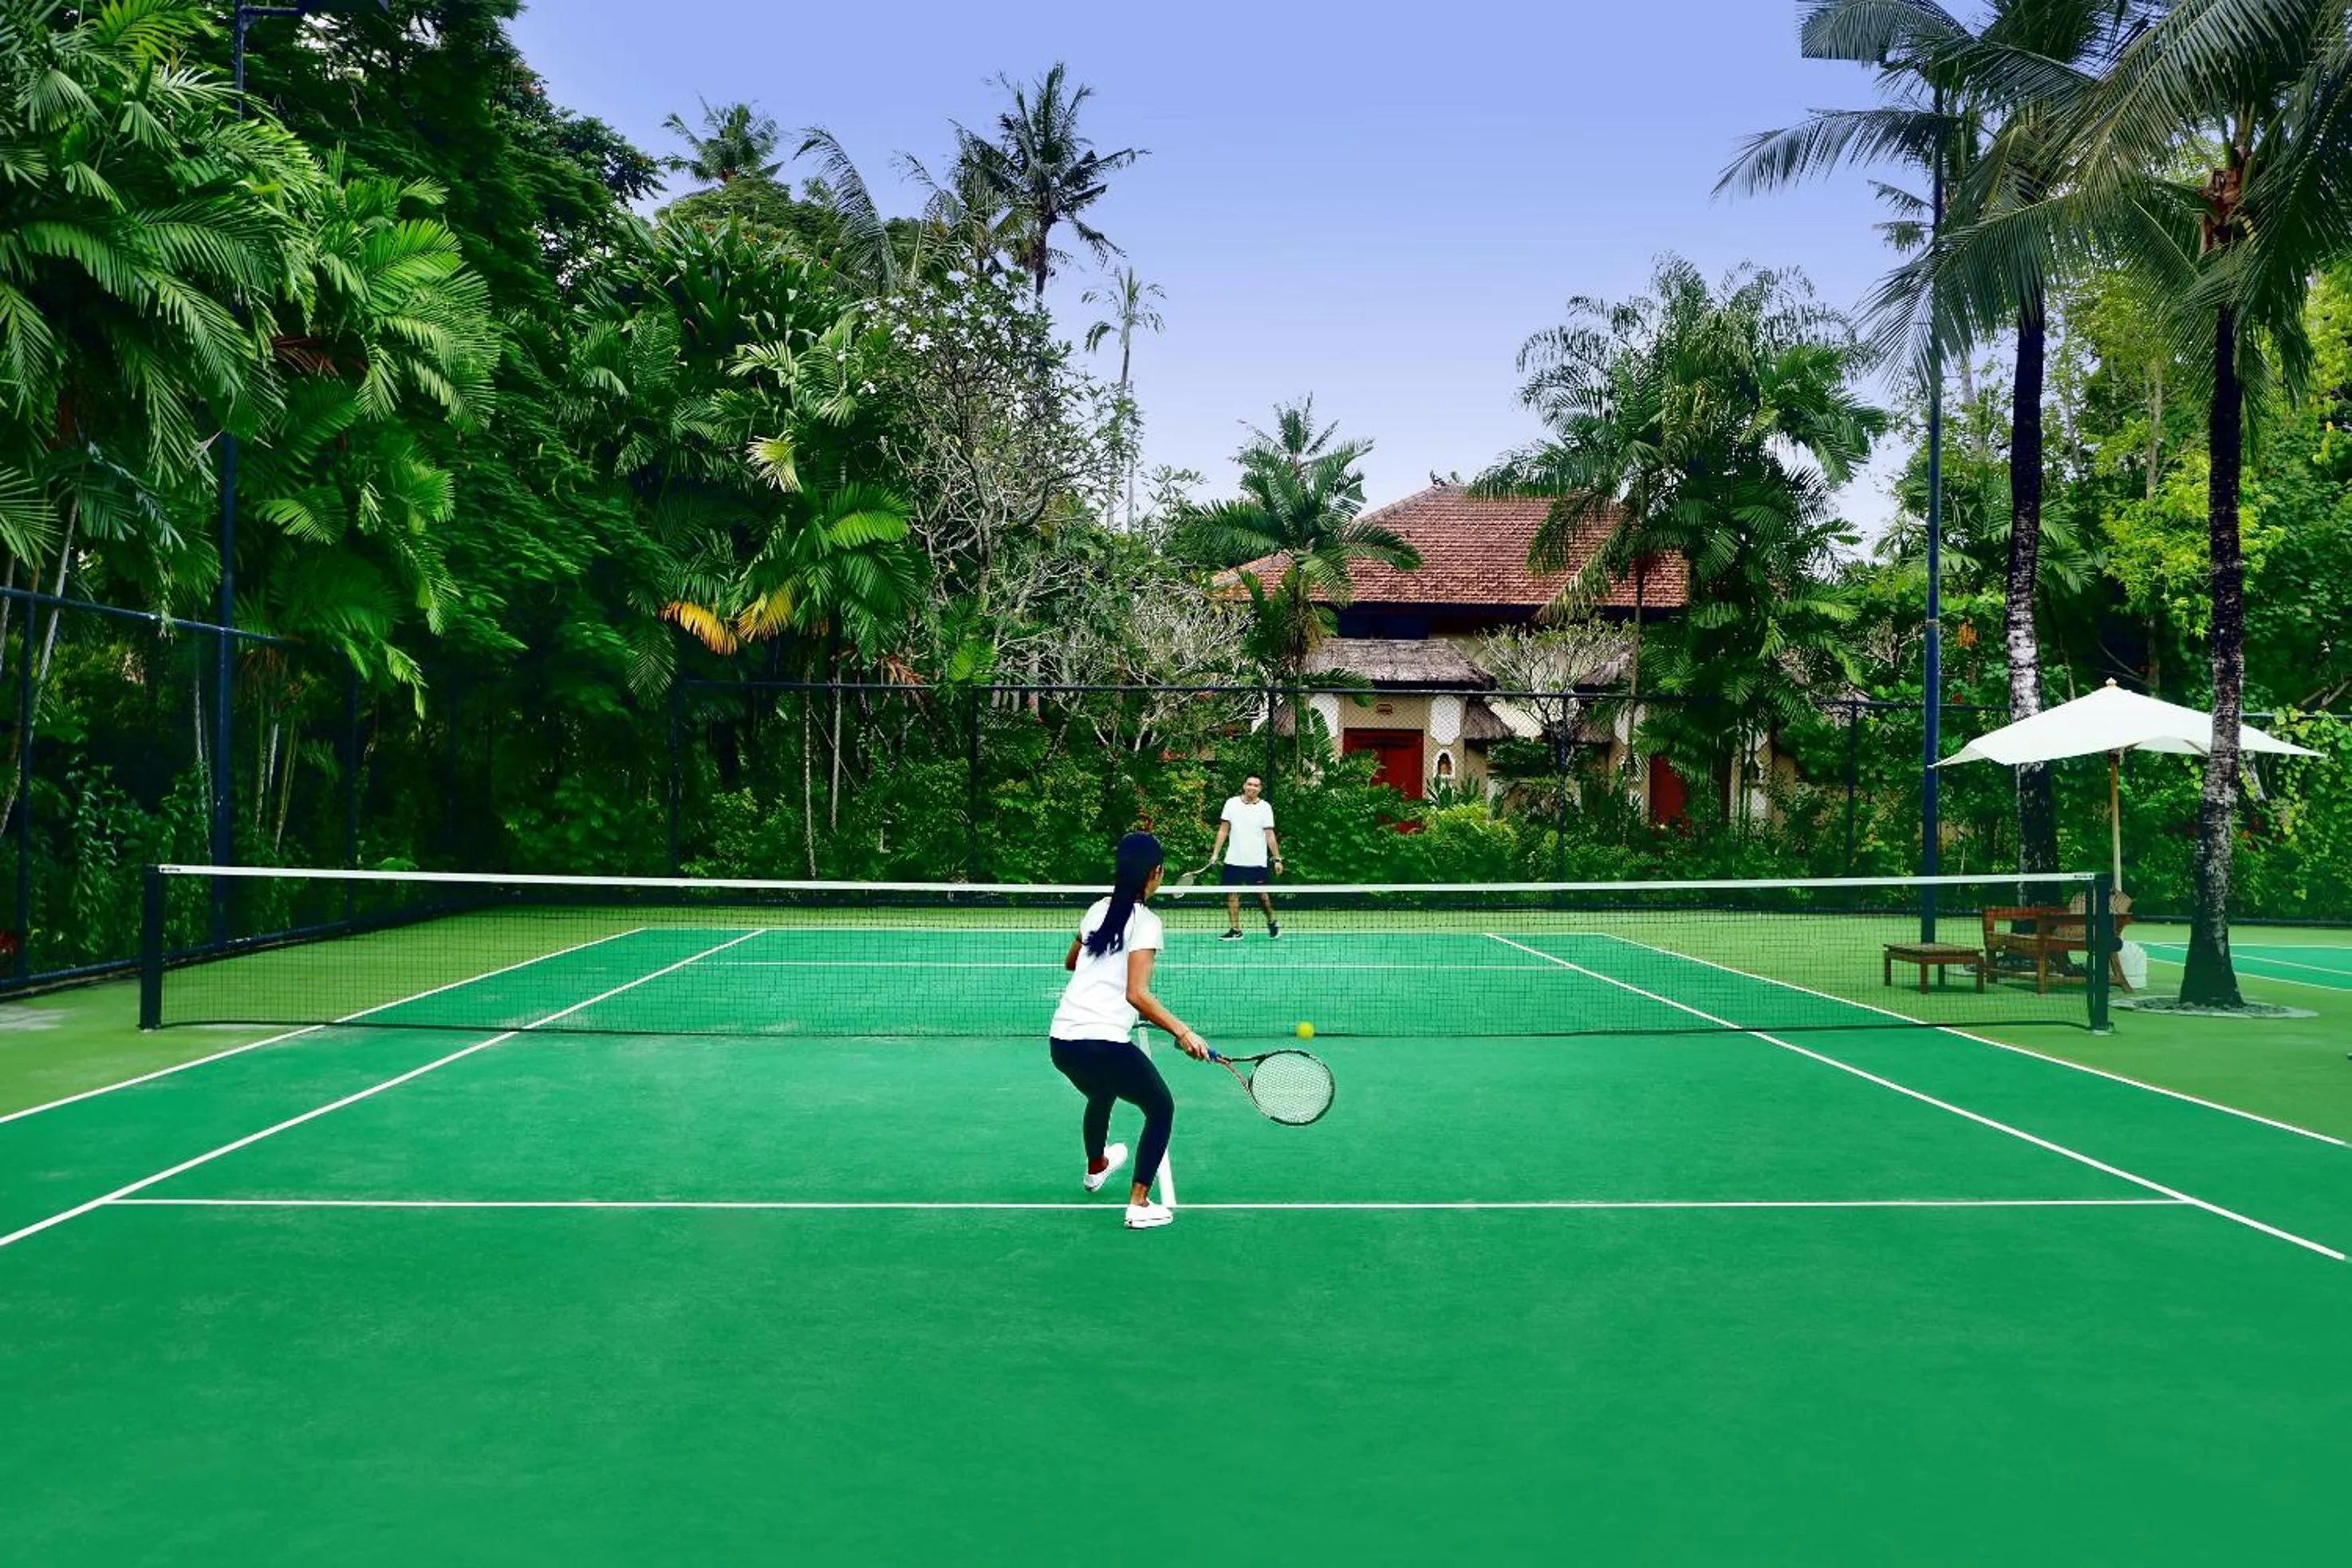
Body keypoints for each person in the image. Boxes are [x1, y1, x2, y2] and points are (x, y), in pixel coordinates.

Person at [1049, 831, 1211, 1230]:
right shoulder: (1147, 923)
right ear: (1156, 873)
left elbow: (1072, 962)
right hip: (1102, 1043)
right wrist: (1183, 1032)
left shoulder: (1097, 910)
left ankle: (1096, 1167)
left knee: (1101, 1091)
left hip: (1062, 1042)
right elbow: (1137, 994)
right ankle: (1139, 1204)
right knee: (1160, 1108)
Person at [1210, 774, 1284, 940]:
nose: (1252, 788)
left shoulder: (1265, 807)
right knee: (1232, 894)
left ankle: (1272, 921)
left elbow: (1270, 835)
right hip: (1233, 860)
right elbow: (1223, 830)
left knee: (1262, 896)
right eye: (1249, 784)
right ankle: (1235, 930)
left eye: (1256, 785)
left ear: (1260, 789)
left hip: (1257, 861)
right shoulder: (1231, 803)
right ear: (1244, 786)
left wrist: (1277, 859)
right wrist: (1215, 853)